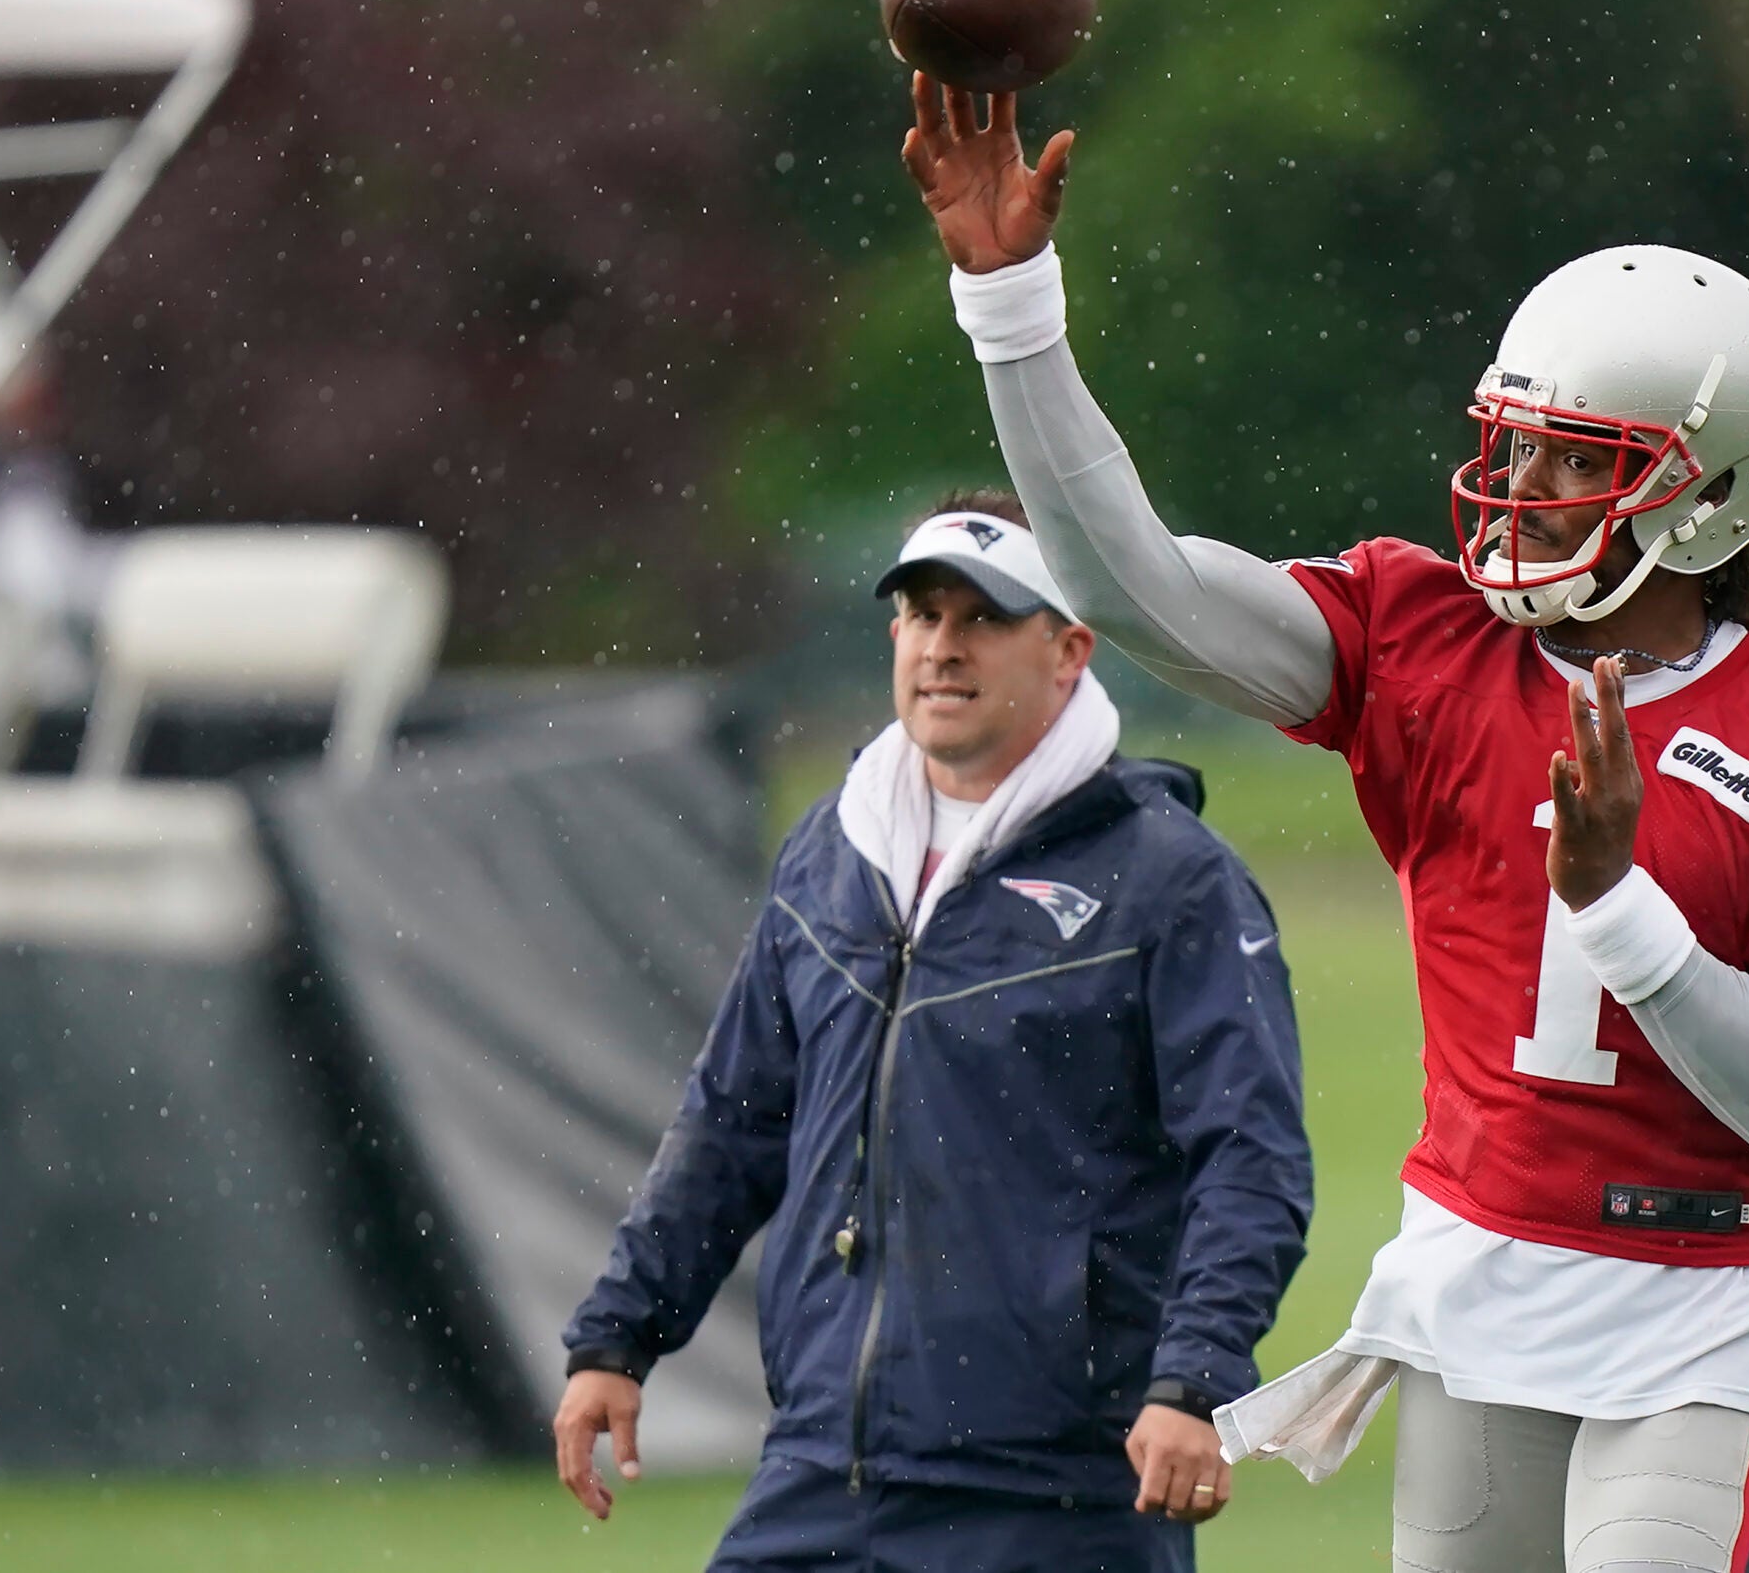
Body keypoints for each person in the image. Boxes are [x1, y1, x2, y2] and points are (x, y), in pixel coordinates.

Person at [901, 77, 1749, 1573]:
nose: (1521, 487)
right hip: (1481, 1274)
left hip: (1702, 1305)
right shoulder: (1424, 638)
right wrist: (1011, 303)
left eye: (1578, 458)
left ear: (1704, 499)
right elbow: (1132, 587)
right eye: (1517, 444)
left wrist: (1619, 905)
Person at [556, 490, 1313, 1573]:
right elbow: (731, 1125)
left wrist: (1193, 1383)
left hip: (1062, 1486)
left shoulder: (1170, 880)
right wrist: (617, 1336)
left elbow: (1251, 1161)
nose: (943, 649)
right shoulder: (830, 850)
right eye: (921, 615)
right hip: (827, 1464)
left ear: (1069, 651)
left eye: (984, 618)